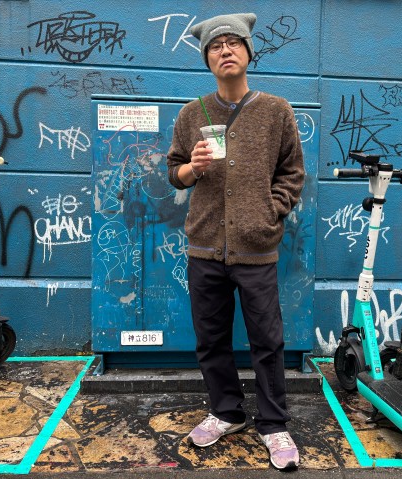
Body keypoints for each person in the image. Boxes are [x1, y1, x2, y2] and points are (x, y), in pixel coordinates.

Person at [166, 12, 304, 471]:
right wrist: (192, 168)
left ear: (248, 52)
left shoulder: (276, 110)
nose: (225, 50)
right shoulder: (192, 114)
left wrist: (269, 211)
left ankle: (273, 423)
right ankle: (227, 412)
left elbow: (292, 172)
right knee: (211, 339)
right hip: (204, 246)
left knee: (267, 341)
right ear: (206, 59)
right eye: (215, 45)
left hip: (256, 247)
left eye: (234, 42)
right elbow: (174, 172)